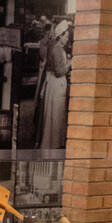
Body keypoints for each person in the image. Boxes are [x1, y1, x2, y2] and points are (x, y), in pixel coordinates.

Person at [34, 19, 71, 151]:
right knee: (55, 116)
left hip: (53, 85)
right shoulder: (58, 50)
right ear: (60, 36)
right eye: (66, 36)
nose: (67, 39)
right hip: (57, 85)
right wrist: (70, 63)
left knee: (52, 116)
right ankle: (53, 144)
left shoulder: (54, 47)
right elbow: (59, 72)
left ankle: (51, 142)